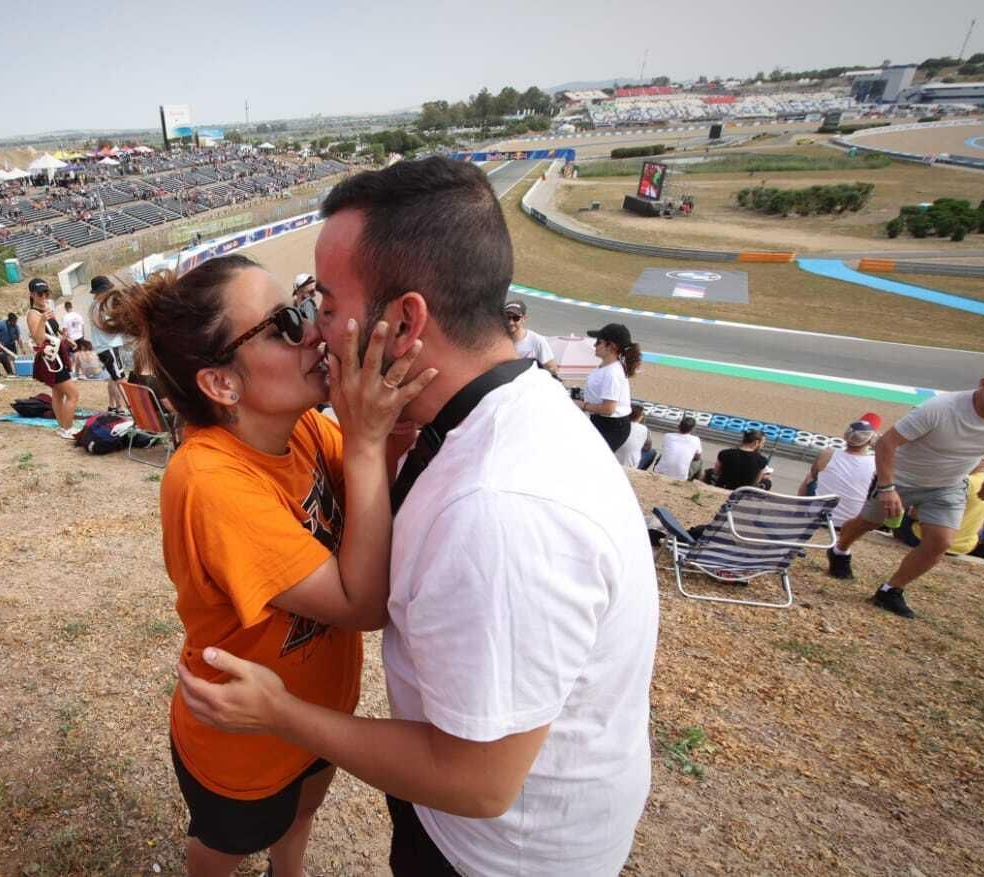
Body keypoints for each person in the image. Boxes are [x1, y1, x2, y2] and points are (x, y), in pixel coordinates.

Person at [178, 157, 659, 876]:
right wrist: (380, 434)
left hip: (492, 855)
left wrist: (284, 714)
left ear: (404, 321)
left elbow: (476, 781)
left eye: (326, 304)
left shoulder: (499, 512)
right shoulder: (495, 417)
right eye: (299, 315)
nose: (319, 332)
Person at [96, 254, 433, 877]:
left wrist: (384, 442)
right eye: (285, 324)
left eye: (304, 307)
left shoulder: (301, 427)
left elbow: (367, 513)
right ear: (222, 384)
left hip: (316, 710)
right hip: (241, 735)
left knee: (301, 817)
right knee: (225, 847)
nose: (314, 331)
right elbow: (361, 605)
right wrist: (365, 441)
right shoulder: (208, 481)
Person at [826, 358, 984, 619]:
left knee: (940, 543)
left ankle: (890, 590)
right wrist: (887, 488)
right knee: (867, 522)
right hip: (901, 478)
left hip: (949, 484)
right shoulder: (940, 408)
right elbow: (885, 444)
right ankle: (840, 548)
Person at [24, 278, 81, 440]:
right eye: (39, 294)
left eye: (46, 293)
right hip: (52, 359)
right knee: (73, 395)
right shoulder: (33, 314)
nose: (43, 297)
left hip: (58, 354)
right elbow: (39, 340)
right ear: (32, 295)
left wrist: (67, 339)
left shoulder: (47, 309)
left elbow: (54, 333)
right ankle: (67, 428)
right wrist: (42, 320)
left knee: (58, 394)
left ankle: (63, 426)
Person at [575, 322, 640, 453]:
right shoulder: (607, 367)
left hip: (611, 426)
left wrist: (583, 405)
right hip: (605, 422)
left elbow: (609, 408)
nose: (594, 345)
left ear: (611, 346)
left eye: (599, 342)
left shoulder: (612, 372)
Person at [804, 419, 878, 527]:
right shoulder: (876, 462)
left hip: (818, 517)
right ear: (870, 441)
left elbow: (814, 476)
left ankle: (800, 512)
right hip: (851, 523)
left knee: (810, 477)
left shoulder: (827, 454)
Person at [86, 275, 130, 413]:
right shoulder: (101, 307)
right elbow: (109, 325)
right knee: (120, 378)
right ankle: (123, 407)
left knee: (113, 377)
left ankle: (113, 405)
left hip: (104, 347)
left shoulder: (95, 306)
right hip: (108, 346)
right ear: (102, 291)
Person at [503, 301, 555, 372]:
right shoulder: (498, 341)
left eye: (516, 318)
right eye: (507, 317)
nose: (510, 322)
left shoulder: (537, 341)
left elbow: (551, 368)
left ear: (524, 318)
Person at [655, 415, 703, 480]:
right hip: (681, 477)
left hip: (660, 472)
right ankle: (694, 482)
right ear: (692, 429)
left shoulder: (668, 436)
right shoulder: (696, 439)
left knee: (663, 454)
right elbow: (698, 457)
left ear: (678, 426)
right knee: (700, 461)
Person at [619, 403, 652, 469]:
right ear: (640, 417)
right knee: (652, 452)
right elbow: (647, 448)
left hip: (613, 459)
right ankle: (639, 471)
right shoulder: (644, 429)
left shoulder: (618, 423)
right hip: (629, 466)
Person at [59, 300, 87, 377]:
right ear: (71, 306)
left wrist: (62, 340)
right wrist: (83, 338)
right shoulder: (78, 315)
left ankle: (75, 372)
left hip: (72, 339)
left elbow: (65, 331)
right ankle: (79, 372)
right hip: (80, 337)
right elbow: (83, 327)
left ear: (65, 308)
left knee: (72, 356)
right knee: (79, 355)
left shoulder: (65, 317)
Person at [0, 312, 22, 377]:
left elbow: (19, 338)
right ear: (9, 321)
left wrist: (22, 348)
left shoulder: (16, 327)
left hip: (11, 344)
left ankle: (18, 372)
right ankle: (9, 372)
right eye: (14, 321)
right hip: (2, 345)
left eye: (16, 321)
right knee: (4, 358)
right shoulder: (1, 323)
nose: (15, 323)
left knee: (15, 358)